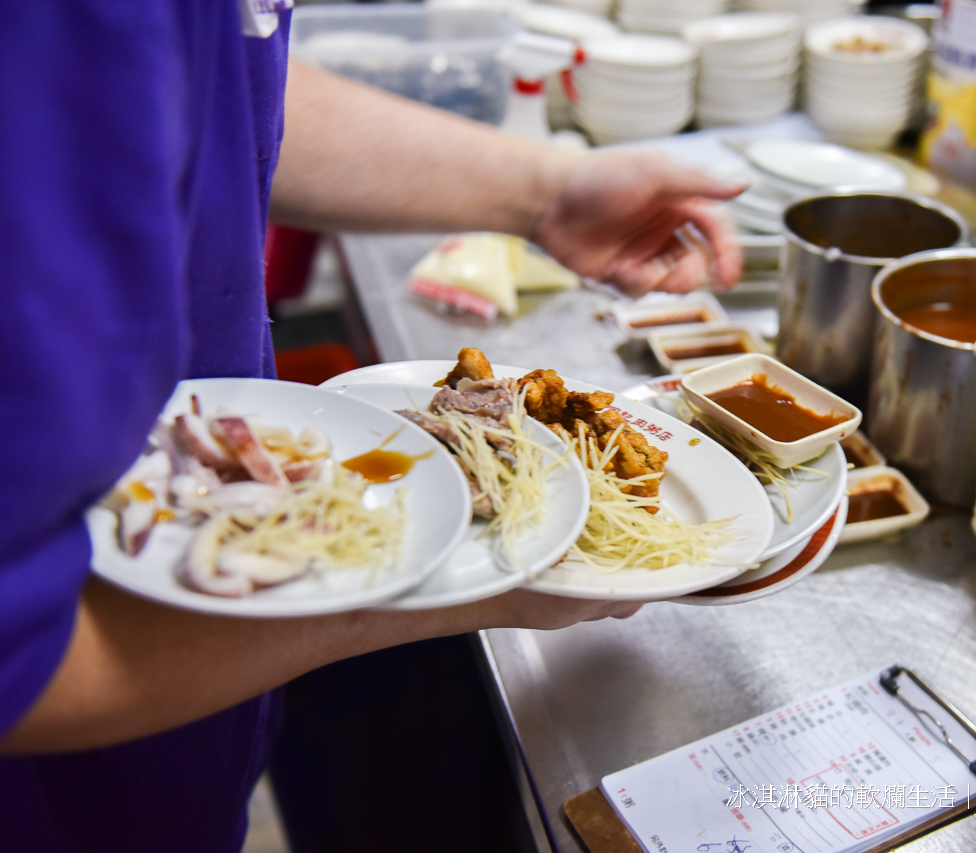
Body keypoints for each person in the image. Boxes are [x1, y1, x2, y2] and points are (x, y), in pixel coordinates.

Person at [0, 4, 743, 851]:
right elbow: (23, 657)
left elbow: (215, 82)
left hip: (176, 722)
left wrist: (546, 193)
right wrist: (474, 584)